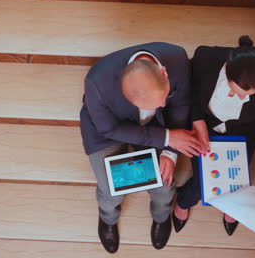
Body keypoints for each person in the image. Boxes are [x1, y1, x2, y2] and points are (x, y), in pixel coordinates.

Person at [80, 42, 203, 253]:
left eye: (163, 99)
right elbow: (109, 129)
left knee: (164, 185)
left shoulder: (178, 58)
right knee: (111, 189)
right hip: (109, 132)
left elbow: (180, 106)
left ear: (164, 73)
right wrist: (166, 137)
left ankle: (161, 216)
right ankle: (108, 218)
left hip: (158, 125)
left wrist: (170, 153)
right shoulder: (96, 81)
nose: (162, 105)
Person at [172, 36, 255, 236]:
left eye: (249, 94)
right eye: (236, 91)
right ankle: (183, 201)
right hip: (205, 123)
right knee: (202, 183)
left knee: (236, 181)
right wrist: (197, 121)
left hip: (242, 130)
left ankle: (232, 207)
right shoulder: (206, 57)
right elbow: (188, 90)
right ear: (226, 70)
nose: (241, 98)